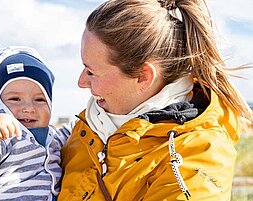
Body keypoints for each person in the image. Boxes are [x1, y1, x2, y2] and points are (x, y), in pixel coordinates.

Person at [58, 0, 253, 200]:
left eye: (92, 72)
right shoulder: (86, 129)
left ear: (143, 77)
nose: (81, 82)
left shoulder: (195, 160)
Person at [0, 46, 71, 200]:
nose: (29, 108)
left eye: (39, 99)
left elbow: (76, 130)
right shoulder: (2, 138)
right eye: (15, 99)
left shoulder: (53, 138)